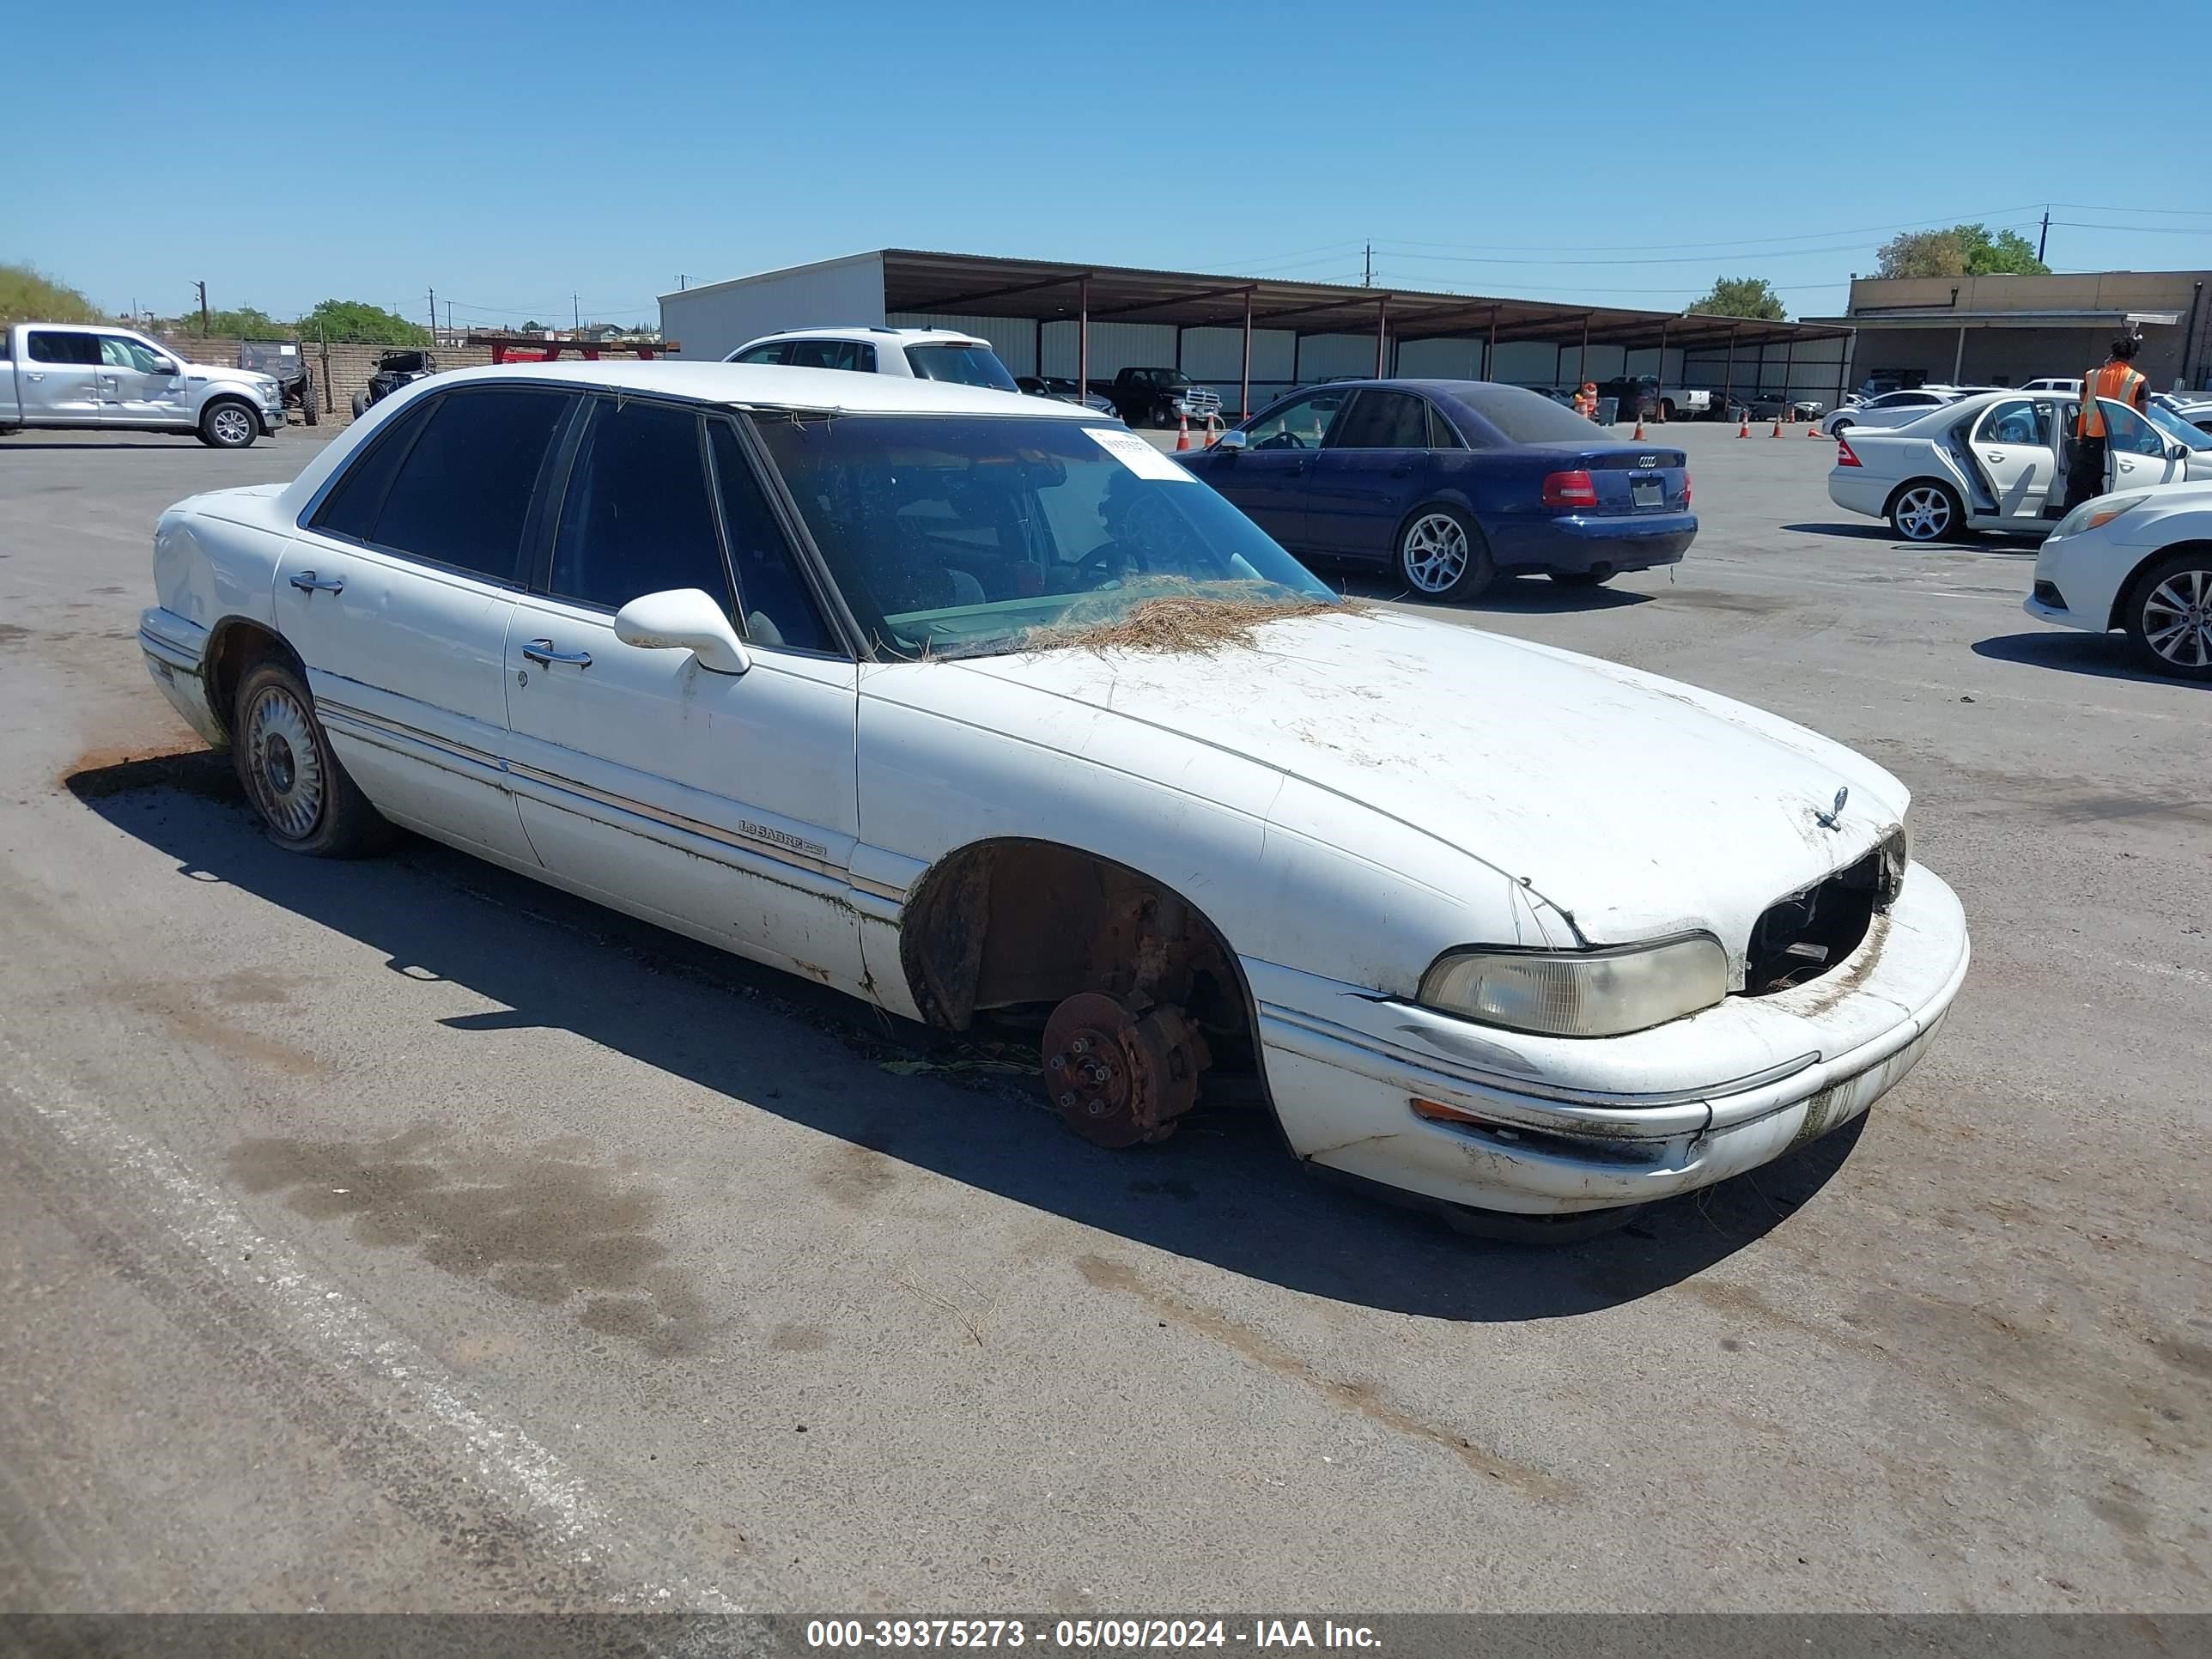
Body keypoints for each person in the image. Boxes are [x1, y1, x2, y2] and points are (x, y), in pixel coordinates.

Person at [2061, 335, 2151, 514]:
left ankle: (2070, 528)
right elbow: (2142, 416)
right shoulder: (2138, 380)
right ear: (2133, 356)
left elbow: (2082, 400)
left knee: (2079, 489)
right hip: (2121, 444)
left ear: (2112, 354)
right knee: (2110, 493)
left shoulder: (2092, 376)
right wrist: (2138, 441)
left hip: (2090, 440)